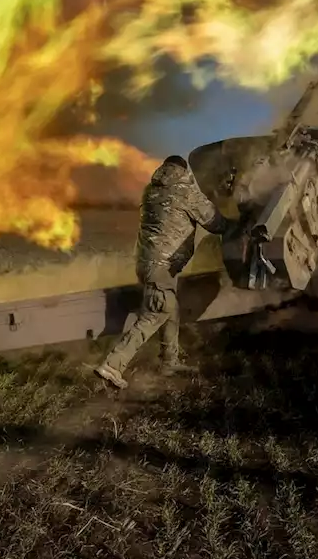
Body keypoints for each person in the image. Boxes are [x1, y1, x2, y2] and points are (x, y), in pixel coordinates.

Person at [94, 155, 232, 389]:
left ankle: (170, 362)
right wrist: (240, 222)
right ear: (184, 171)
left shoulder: (151, 190)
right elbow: (216, 223)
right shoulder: (185, 192)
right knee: (157, 311)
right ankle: (112, 366)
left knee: (171, 308)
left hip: (147, 263)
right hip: (162, 266)